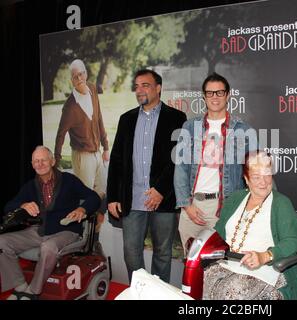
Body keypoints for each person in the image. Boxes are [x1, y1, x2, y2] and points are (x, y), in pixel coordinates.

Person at [107, 69, 186, 283]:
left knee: (162, 252)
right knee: (131, 252)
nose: (139, 90)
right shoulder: (127, 119)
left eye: (145, 85)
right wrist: (113, 196)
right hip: (132, 200)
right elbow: (116, 160)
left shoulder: (177, 118)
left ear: (158, 88)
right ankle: (141, 292)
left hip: (163, 198)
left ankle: (158, 294)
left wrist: (161, 190)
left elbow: (178, 159)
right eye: (137, 86)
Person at [0, 146, 100, 300]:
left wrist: (82, 209)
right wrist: (23, 205)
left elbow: (94, 197)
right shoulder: (30, 186)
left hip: (66, 231)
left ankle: (33, 291)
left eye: (43, 160)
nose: (40, 164)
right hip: (39, 231)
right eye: (36, 161)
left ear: (52, 161)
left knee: (48, 247)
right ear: (32, 164)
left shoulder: (69, 180)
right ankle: (20, 286)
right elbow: (8, 207)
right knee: (2, 241)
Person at [202, 151, 297, 300]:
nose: (263, 182)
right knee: (199, 281)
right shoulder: (235, 199)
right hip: (227, 264)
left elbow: (294, 240)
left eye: (267, 175)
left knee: (231, 292)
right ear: (246, 179)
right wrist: (203, 244)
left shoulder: (281, 203)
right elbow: (219, 233)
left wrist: (265, 256)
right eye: (256, 177)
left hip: (265, 270)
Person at [174, 72, 257, 255]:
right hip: (192, 205)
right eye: (210, 93)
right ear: (204, 96)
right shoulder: (190, 127)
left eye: (219, 92)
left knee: (218, 267)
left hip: (224, 206)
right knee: (191, 264)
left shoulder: (243, 130)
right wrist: (186, 205)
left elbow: (253, 172)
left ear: (228, 95)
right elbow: (181, 168)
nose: (215, 97)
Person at [54, 58, 109, 200]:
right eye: (75, 76)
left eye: (81, 74)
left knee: (101, 193)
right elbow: (60, 135)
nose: (79, 78)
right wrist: (56, 160)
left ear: (86, 73)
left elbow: (99, 118)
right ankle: (82, 222)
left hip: (97, 153)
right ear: (71, 80)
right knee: (85, 199)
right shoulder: (70, 107)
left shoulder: (92, 89)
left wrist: (106, 147)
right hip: (82, 157)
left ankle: (96, 223)